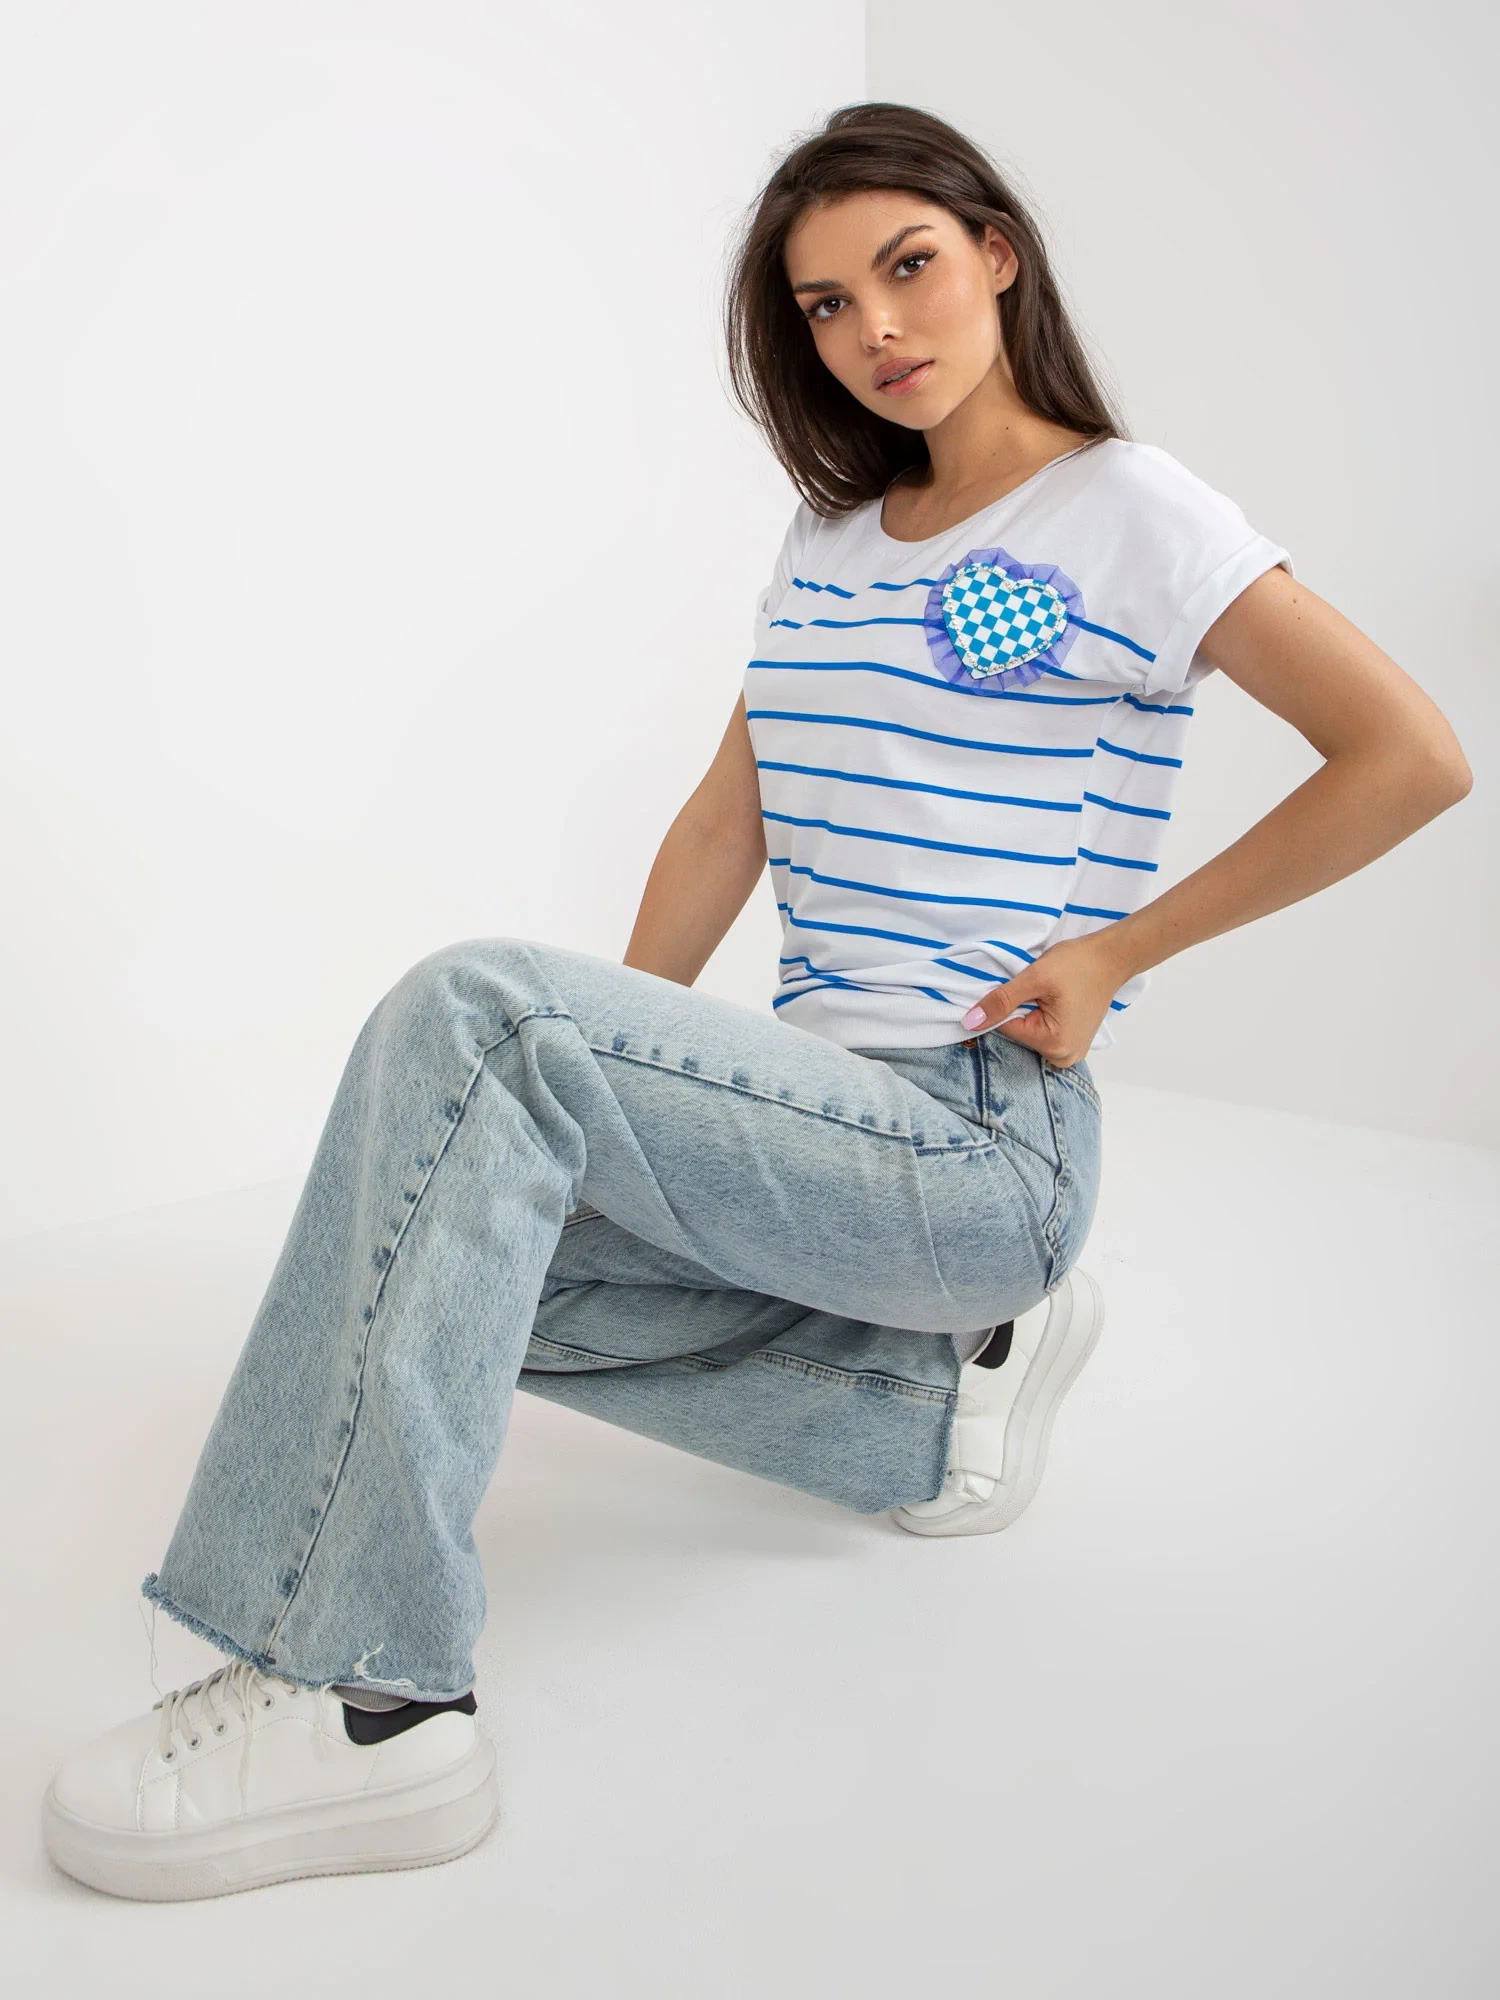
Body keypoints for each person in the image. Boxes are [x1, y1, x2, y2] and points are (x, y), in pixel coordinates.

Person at [41, 101, 1470, 1903]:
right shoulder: (832, 537)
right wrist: (596, 1088)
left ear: (998, 254)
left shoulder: (1129, 510)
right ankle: (924, 1415)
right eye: (825, 305)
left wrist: (1120, 955)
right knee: (439, 1257)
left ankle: (368, 1701)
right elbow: (735, 814)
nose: (877, 328)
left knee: (470, 1019)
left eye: (909, 267)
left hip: (978, 1143)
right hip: (811, 1121)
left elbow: (1409, 755)